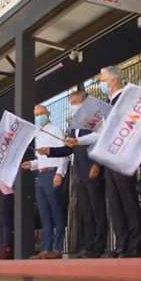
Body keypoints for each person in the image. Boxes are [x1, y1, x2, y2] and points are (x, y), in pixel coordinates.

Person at [66, 66, 141, 258]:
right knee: (115, 206)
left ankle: (134, 246)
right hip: (109, 160)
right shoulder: (106, 104)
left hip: (123, 158)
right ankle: (122, 244)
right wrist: (79, 141)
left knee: (128, 202)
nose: (100, 84)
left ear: (113, 80)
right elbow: (101, 135)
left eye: (101, 80)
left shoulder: (127, 98)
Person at [38, 90, 107, 258]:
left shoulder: (95, 121)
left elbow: (103, 140)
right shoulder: (73, 126)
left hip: (93, 168)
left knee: (97, 209)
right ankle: (88, 246)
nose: (72, 107)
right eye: (71, 103)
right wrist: (49, 151)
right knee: (86, 210)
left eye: (75, 102)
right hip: (80, 171)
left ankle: (100, 246)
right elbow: (68, 149)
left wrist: (97, 164)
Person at [22, 105, 69, 259]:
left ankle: (58, 248)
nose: (39, 116)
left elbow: (64, 154)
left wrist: (60, 173)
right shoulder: (38, 134)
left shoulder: (56, 131)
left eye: (41, 113)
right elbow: (41, 159)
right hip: (41, 176)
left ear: (48, 114)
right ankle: (46, 248)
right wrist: (32, 164)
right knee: (44, 213)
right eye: (36, 114)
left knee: (56, 211)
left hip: (53, 173)